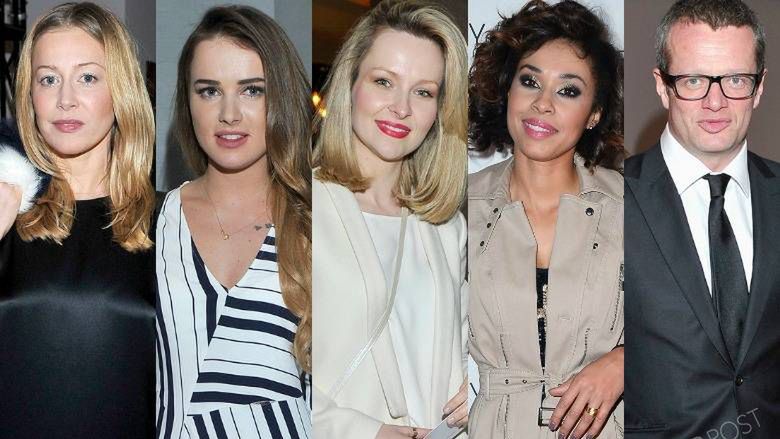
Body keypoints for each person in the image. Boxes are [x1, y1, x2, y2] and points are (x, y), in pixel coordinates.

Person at [467, 1, 625, 438]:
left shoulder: (633, 207)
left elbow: (688, 328)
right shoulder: (459, 206)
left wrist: (624, 362)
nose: (542, 104)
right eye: (530, 81)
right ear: (507, 91)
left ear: (594, 113)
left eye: (568, 91)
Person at [311, 1, 468, 438]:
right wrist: (362, 431)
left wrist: (477, 386)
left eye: (423, 92)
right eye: (384, 82)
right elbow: (265, 363)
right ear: (350, 84)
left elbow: (465, 343)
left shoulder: (445, 227)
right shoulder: (298, 206)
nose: (401, 108)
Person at [0, 2, 157, 437]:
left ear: (121, 90)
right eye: (48, 79)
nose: (65, 99)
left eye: (87, 77)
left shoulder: (171, 221)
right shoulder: (6, 209)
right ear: (30, 96)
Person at [155, 5, 312, 439]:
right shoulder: (150, 224)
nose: (229, 113)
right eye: (209, 90)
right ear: (188, 102)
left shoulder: (318, 227)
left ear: (280, 98)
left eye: (252, 90)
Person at [625, 0, 780, 436]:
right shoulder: (609, 198)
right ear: (662, 86)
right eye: (693, 80)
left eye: (735, 80)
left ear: (759, 87)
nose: (716, 101)